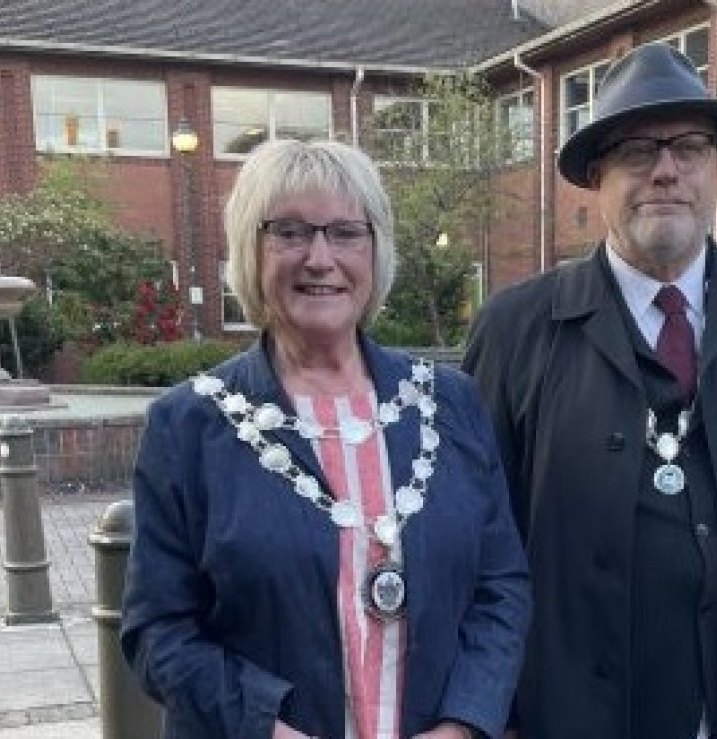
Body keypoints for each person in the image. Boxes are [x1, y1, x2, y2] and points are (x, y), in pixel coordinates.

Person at [463, 42, 717, 739]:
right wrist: (484, 699)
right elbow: (476, 535)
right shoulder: (516, 327)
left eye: (690, 146)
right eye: (637, 149)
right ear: (596, 173)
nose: (666, 170)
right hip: (574, 704)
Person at [121, 139, 530, 739]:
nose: (320, 258)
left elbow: (502, 589)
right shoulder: (187, 426)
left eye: (345, 233)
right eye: (289, 231)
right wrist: (266, 729)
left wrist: (463, 724)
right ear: (249, 250)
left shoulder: (453, 403)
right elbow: (158, 631)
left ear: (375, 250)